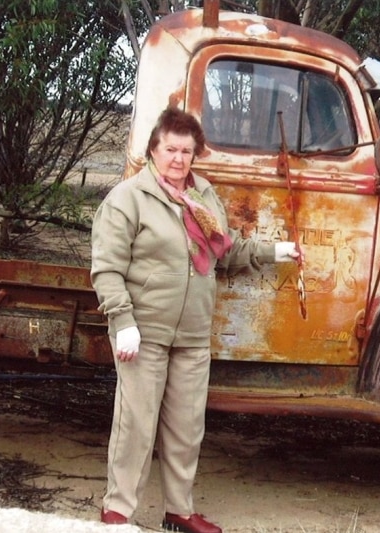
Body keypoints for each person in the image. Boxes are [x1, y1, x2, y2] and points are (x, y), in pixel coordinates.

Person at [90, 107, 299, 533]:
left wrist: (277, 251)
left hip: (192, 333)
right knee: (136, 424)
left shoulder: (203, 196)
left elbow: (227, 252)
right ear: (154, 148)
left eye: (187, 151)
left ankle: (179, 511)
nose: (178, 159)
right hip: (142, 332)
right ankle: (117, 511)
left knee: (187, 428)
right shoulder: (128, 198)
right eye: (170, 149)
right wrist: (122, 319)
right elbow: (107, 268)